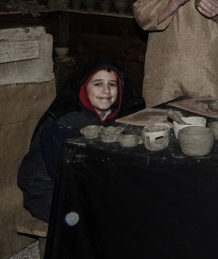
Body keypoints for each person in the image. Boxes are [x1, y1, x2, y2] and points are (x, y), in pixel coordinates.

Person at [17, 58, 145, 222]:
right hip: (50, 192)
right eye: (98, 84)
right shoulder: (62, 126)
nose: (106, 90)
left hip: (85, 185)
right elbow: (63, 173)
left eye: (112, 84)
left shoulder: (110, 120)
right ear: (84, 88)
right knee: (109, 219)